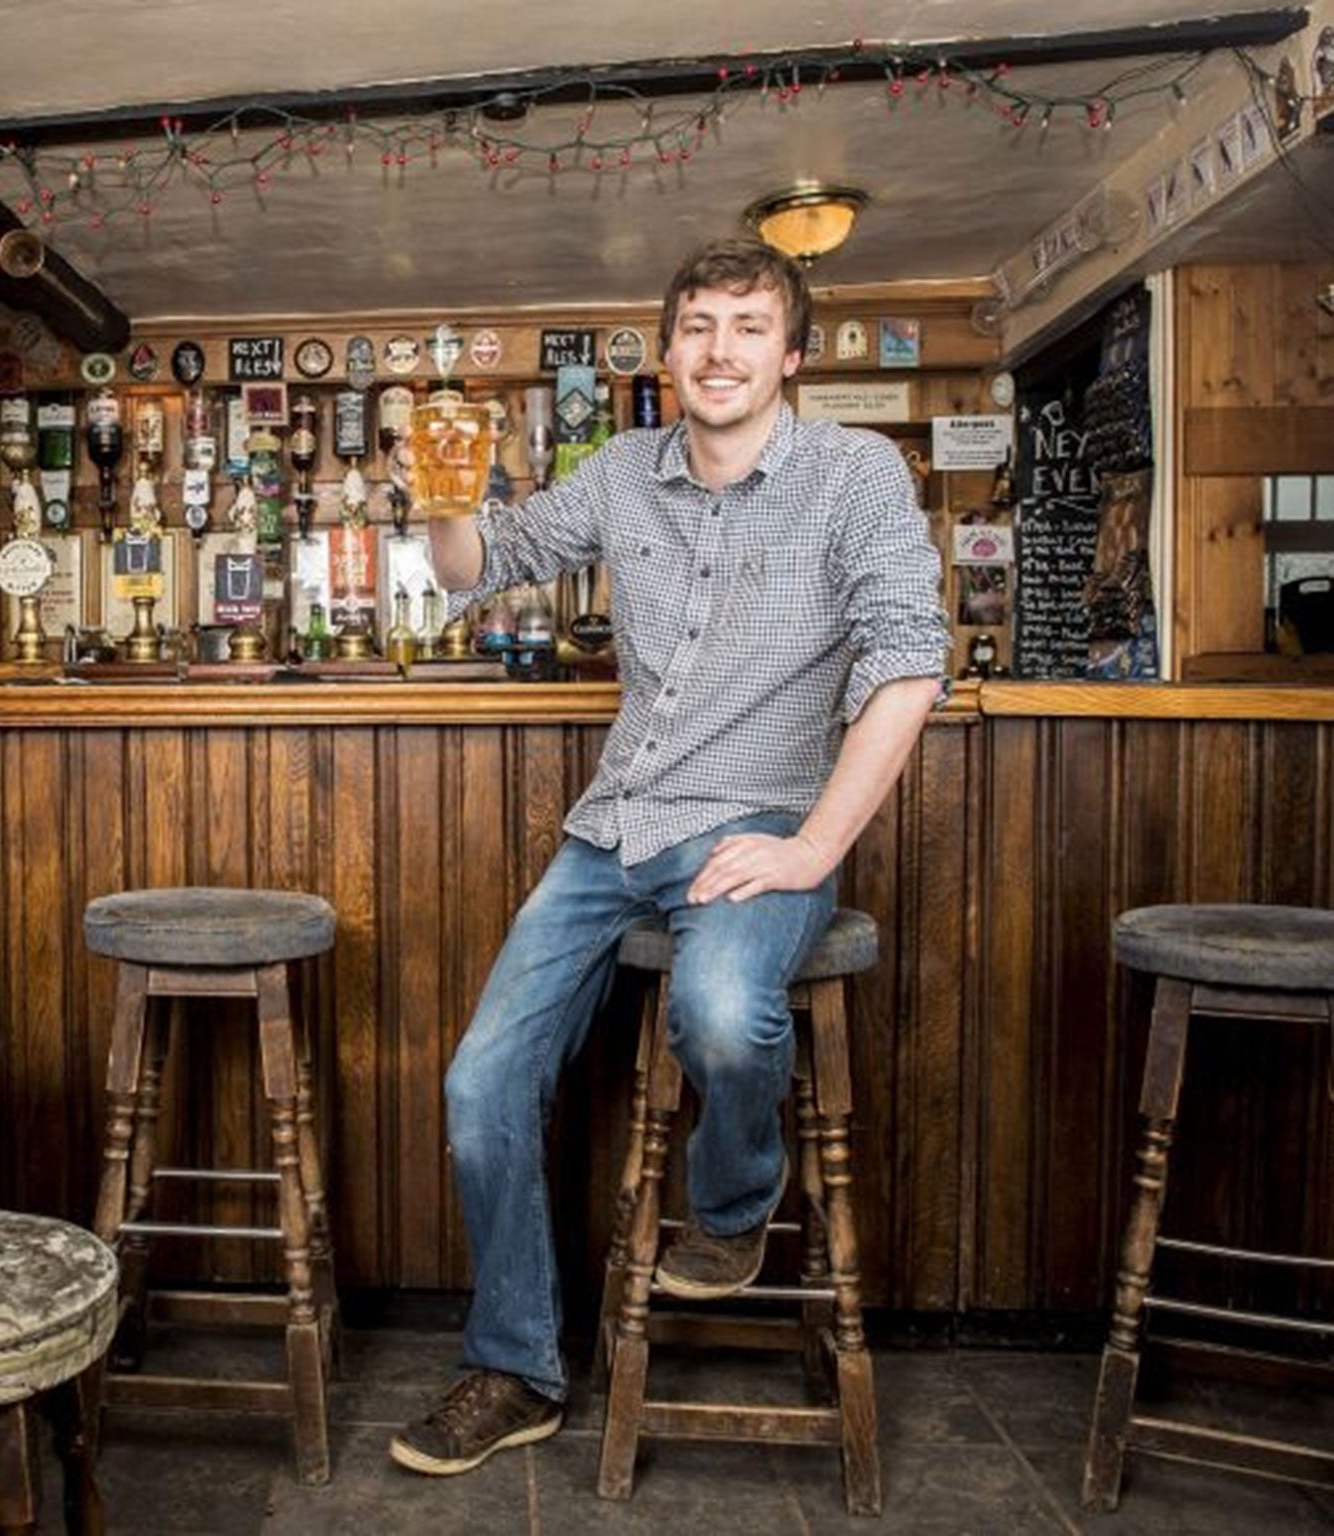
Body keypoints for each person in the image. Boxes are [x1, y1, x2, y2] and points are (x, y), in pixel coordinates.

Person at [388, 238, 949, 1477]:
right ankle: (516, 1368)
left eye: (748, 327)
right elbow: (482, 567)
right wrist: (438, 498)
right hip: (611, 827)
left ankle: (735, 1207)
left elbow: (910, 663)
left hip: (757, 821)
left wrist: (811, 847)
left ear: (790, 355)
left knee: (717, 1007)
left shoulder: (853, 476)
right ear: (665, 350)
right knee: (479, 1084)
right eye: (697, 325)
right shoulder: (618, 473)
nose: (719, 350)